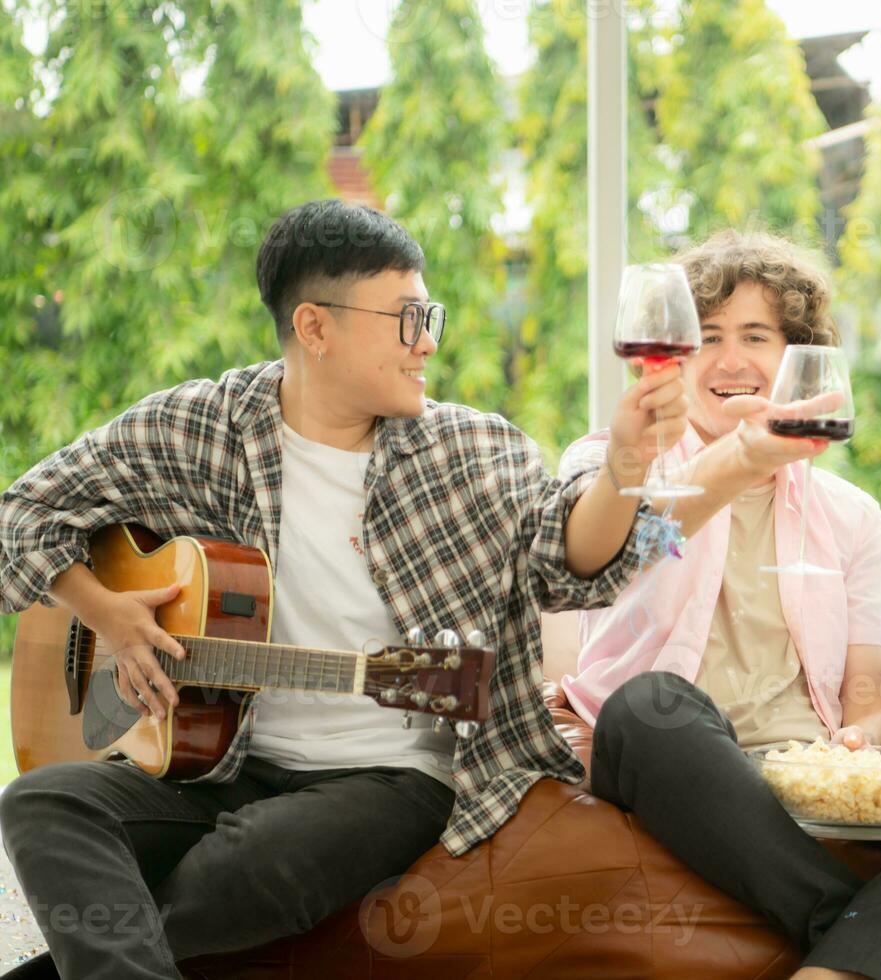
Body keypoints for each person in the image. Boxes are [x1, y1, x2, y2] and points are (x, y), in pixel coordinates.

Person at [0, 198, 693, 980]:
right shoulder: (203, 428)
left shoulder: (470, 445)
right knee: (43, 802)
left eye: (429, 314)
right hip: (226, 764)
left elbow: (564, 559)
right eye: (405, 319)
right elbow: (21, 514)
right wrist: (108, 615)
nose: (427, 340)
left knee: (255, 862)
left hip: (391, 776)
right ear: (315, 329)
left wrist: (625, 469)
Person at [560, 231, 881, 980]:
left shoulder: (849, 514)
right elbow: (606, 550)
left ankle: (835, 967)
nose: (732, 359)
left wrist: (859, 743)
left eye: (756, 336)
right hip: (674, 763)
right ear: (674, 356)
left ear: (796, 356)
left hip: (806, 781)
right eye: (708, 337)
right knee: (649, 705)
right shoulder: (612, 459)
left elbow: (873, 692)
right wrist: (742, 455)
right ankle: (872, 951)